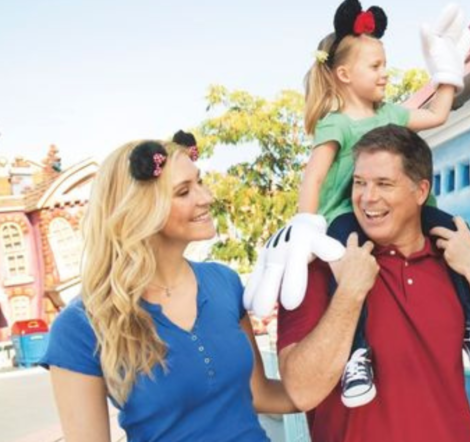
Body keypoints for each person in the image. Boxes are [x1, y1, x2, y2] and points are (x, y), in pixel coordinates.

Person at [242, 0, 470, 410]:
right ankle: (357, 356)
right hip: (345, 216)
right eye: (376, 66)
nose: (385, 73)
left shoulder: (392, 114)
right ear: (344, 74)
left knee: (454, 233)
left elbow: (436, 116)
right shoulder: (336, 123)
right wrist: (306, 223)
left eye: (385, 64)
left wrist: (447, 73)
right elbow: (314, 174)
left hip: (406, 213)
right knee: (351, 268)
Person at [276, 124, 470, 442]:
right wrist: (350, 293)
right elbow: (302, 391)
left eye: (384, 184)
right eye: (360, 183)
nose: (368, 198)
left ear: (421, 191)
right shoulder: (318, 265)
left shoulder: (459, 253)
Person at [43, 131, 296, 442]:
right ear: (140, 209)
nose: (206, 197)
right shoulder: (80, 326)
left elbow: (261, 395)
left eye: (200, 182)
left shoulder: (224, 281)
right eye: (183, 191)